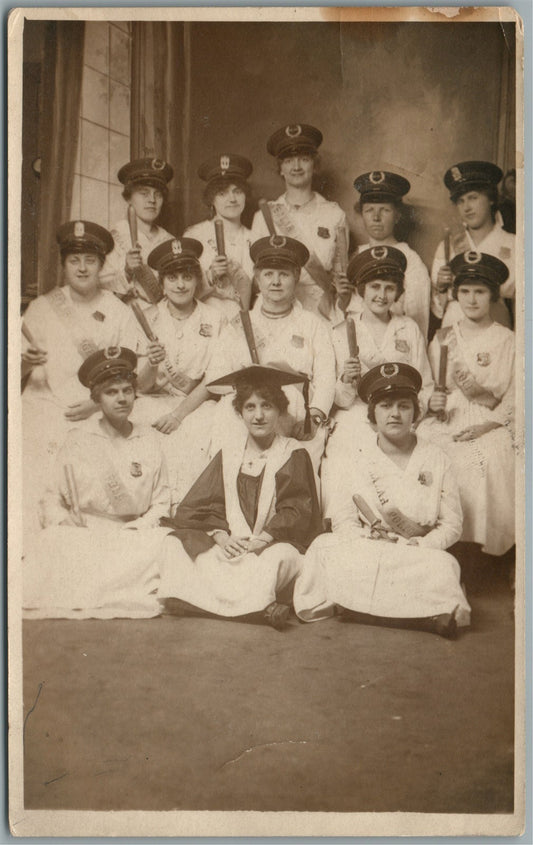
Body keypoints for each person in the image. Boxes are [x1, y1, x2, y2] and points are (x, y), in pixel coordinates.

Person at [294, 363, 471, 638]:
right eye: (386, 406)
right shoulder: (357, 458)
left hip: (415, 551)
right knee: (323, 547)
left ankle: (357, 609)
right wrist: (363, 539)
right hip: (370, 546)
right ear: (372, 417)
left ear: (415, 413)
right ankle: (418, 616)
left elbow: (452, 524)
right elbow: (343, 517)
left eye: (404, 406)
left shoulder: (436, 458)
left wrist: (421, 544)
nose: (395, 414)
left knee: (445, 567)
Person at [158, 365, 322, 629]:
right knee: (173, 544)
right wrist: (222, 537)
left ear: (279, 410)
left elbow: (296, 511)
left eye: (266, 406)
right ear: (240, 412)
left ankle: (200, 604)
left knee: (276, 559)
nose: (258, 416)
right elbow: (198, 506)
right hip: (232, 544)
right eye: (250, 407)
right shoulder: (230, 453)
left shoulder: (293, 453)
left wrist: (262, 541)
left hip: (270, 545)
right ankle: (257, 608)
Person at [23, 347, 173, 619]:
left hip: (131, 534)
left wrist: (137, 527)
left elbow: (162, 501)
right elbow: (51, 497)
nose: (121, 399)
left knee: (165, 543)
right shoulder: (78, 439)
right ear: (97, 398)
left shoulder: (149, 439)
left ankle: (99, 588)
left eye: (127, 390)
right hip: (86, 533)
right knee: (52, 541)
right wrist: (63, 520)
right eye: (111, 392)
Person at [21, 221, 139, 534]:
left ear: (102, 265)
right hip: (44, 405)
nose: (82, 268)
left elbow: (129, 373)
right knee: (32, 459)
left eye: (90, 260)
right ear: (63, 265)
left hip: (96, 409)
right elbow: (18, 370)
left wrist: (97, 404)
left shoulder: (118, 311)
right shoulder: (41, 307)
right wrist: (22, 361)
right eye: (74, 260)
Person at [205, 235, 336, 469]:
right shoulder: (239, 324)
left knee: (291, 471)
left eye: (284, 274)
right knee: (227, 425)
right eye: (268, 274)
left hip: (297, 411)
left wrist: (314, 416)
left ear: (296, 278)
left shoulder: (313, 324)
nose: (276, 282)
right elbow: (217, 376)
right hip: (245, 407)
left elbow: (326, 378)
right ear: (257, 278)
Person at [321, 245, 434, 514]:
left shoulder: (408, 328)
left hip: (401, 412)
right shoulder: (341, 331)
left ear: (398, 291)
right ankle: (349, 522)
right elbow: (339, 399)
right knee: (346, 450)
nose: (381, 295)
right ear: (361, 289)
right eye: (374, 286)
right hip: (358, 413)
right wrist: (347, 380)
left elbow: (426, 385)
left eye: (389, 288)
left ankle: (399, 521)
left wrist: (411, 414)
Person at [418, 251, 515, 557]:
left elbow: (516, 394)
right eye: (465, 291)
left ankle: (477, 551)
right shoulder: (443, 338)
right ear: (456, 294)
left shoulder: (508, 340)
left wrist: (489, 424)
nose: (472, 300)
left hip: (491, 417)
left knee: (490, 456)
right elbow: (428, 383)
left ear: (493, 295)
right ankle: (434, 541)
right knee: (428, 448)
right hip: (448, 413)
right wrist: (431, 402)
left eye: (480, 292)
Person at [132, 236, 224, 500]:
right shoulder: (147, 318)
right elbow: (141, 386)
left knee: (201, 430)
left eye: (187, 276)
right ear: (161, 283)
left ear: (197, 279)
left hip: (197, 403)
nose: (180, 285)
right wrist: (150, 363)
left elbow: (213, 380)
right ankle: (151, 504)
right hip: (153, 400)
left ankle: (186, 508)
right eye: (172, 278)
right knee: (141, 428)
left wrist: (178, 415)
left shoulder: (215, 318)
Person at [250, 123, 348, 319]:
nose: (296, 167)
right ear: (280, 168)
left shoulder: (334, 214)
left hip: (322, 309)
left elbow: (340, 276)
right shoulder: (265, 215)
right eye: (288, 160)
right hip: (277, 308)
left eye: (304, 159)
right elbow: (255, 276)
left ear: (314, 165)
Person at [430, 161, 515, 329]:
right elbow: (437, 310)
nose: (466, 208)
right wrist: (440, 288)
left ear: (491, 198)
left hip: (497, 331)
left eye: (473, 198)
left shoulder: (514, 244)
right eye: (460, 201)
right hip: (454, 329)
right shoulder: (447, 246)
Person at [350, 170, 431, 339]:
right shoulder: (356, 256)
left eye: (385, 210)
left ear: (397, 215)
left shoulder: (411, 261)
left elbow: (418, 324)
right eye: (369, 210)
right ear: (361, 214)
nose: (376, 217)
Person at [99, 157, 175, 307]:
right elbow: (97, 287)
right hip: (126, 315)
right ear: (128, 198)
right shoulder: (113, 237)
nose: (152, 200)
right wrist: (126, 271)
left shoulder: (170, 240)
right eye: (144, 193)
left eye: (158, 194)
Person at [184, 154, 254, 316]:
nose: (232, 199)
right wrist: (210, 275)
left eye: (237, 192)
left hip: (243, 322)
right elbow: (181, 290)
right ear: (211, 199)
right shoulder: (195, 235)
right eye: (222, 193)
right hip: (204, 319)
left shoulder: (254, 237)